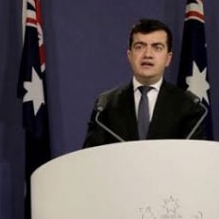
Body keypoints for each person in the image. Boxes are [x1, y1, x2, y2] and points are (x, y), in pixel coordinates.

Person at [82, 19, 207, 148]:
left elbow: (195, 158)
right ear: (129, 56)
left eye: (157, 47)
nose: (147, 54)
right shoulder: (105, 106)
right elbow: (91, 158)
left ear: (168, 59)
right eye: (139, 47)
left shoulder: (188, 106)